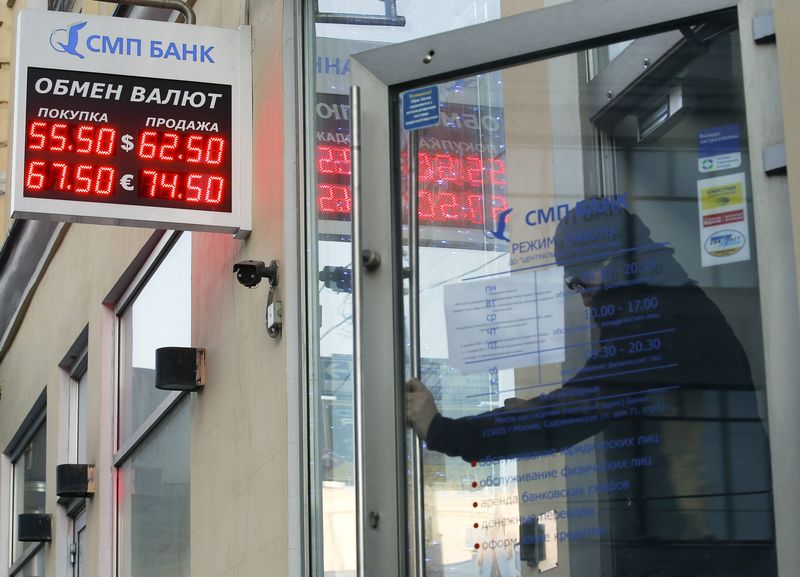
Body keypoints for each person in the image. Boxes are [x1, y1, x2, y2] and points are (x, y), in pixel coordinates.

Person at [407, 199, 777, 577]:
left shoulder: (658, 320)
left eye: (579, 281)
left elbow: (573, 413)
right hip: (707, 539)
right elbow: (594, 397)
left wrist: (443, 431)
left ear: (612, 265)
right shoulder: (666, 309)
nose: (582, 297)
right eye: (573, 285)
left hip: (709, 547)